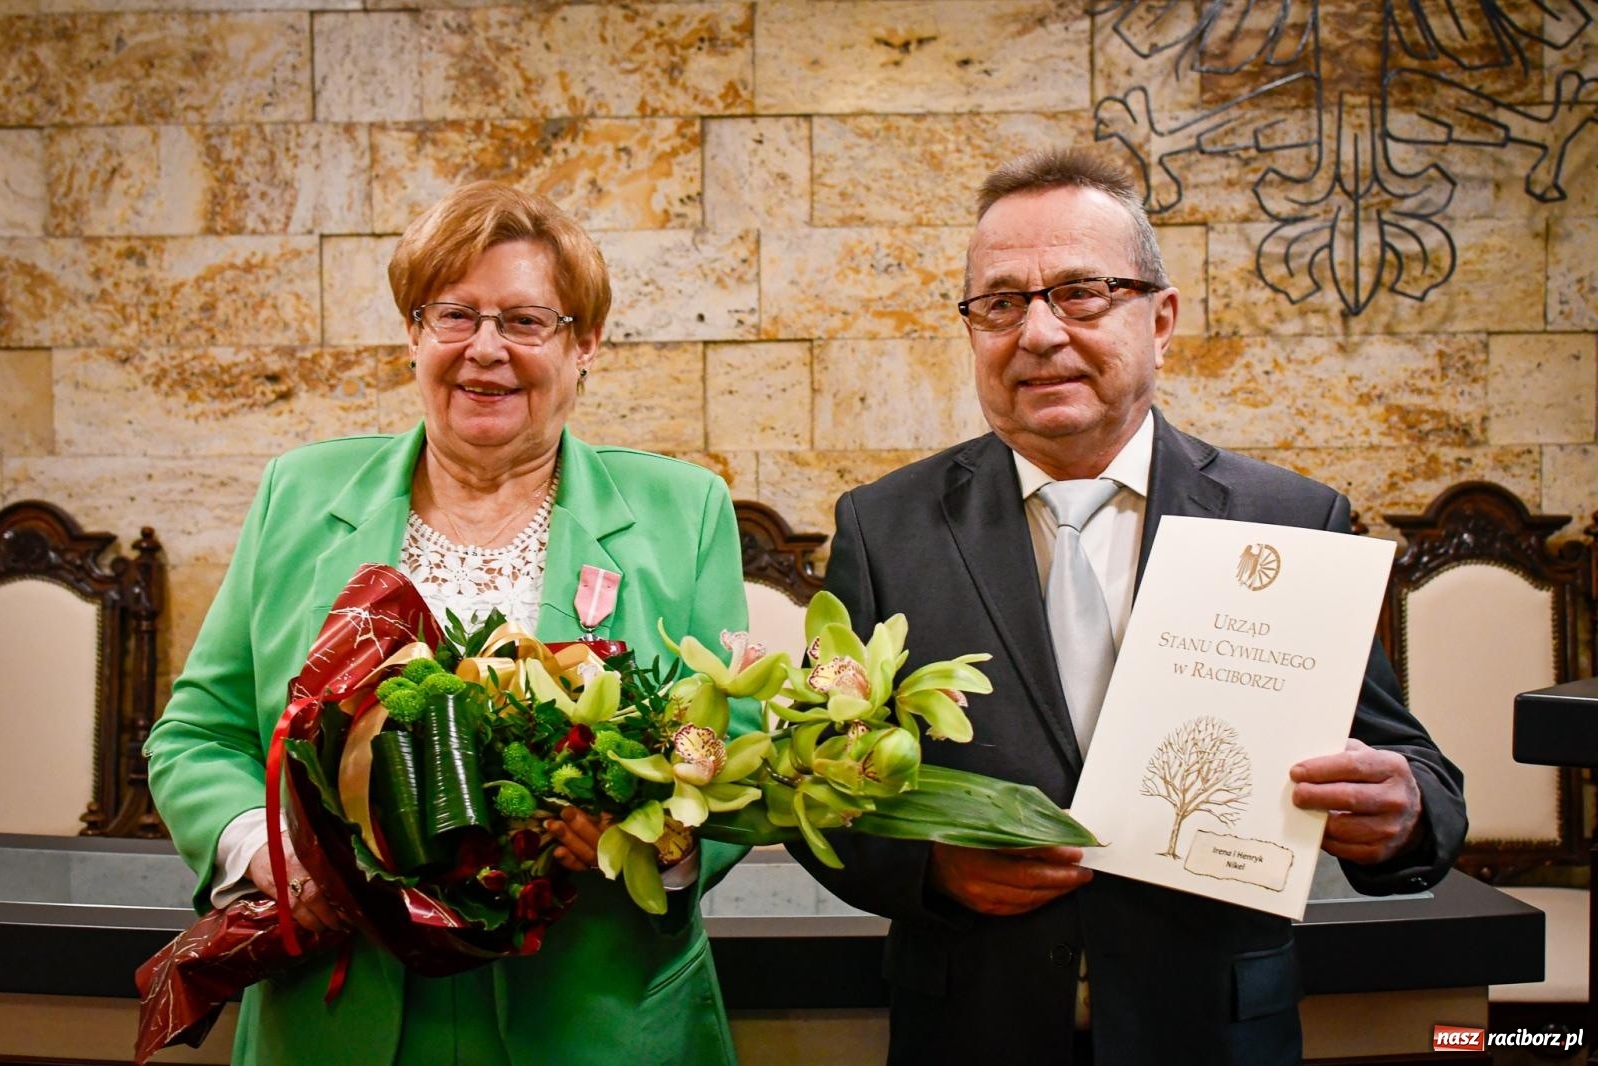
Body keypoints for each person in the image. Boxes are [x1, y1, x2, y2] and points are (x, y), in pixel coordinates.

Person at [795, 149, 1467, 1065]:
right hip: (976, 1028)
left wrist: (1405, 812)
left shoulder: (1292, 519)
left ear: (1162, 319)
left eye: (1081, 291)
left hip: (1211, 1028)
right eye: (1000, 302)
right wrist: (933, 871)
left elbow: (1414, 767)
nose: (1038, 333)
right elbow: (810, 781)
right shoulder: (885, 527)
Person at [146, 180, 752, 1065]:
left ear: (587, 345)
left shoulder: (683, 510)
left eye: (525, 321)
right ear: (413, 335)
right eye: (455, 316)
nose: (486, 352)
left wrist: (649, 839)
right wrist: (268, 850)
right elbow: (196, 735)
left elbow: (728, 754)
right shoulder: (300, 496)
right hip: (339, 1008)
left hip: (594, 1014)